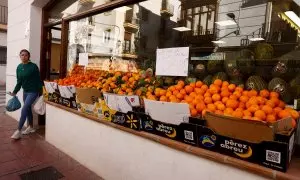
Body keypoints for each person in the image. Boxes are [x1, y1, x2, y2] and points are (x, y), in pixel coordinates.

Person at [10, 49, 42, 139]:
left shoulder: (33, 66)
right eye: (22, 55)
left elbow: (38, 79)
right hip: (25, 91)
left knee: (24, 108)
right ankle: (31, 127)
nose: (24, 57)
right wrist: (15, 92)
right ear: (20, 56)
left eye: (26, 55)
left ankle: (18, 130)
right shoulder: (19, 67)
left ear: (29, 57)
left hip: (33, 91)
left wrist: (41, 92)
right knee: (27, 109)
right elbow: (19, 81)